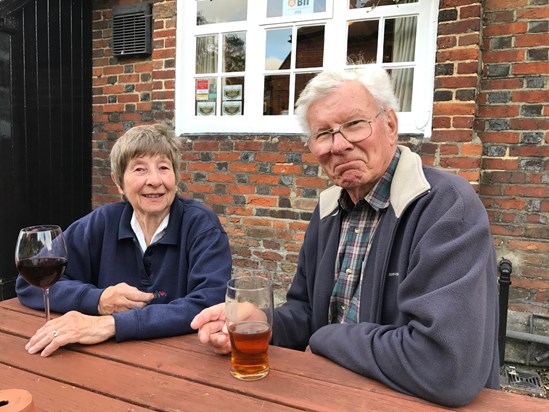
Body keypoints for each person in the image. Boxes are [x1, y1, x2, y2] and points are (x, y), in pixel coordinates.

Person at [191, 65, 500, 407]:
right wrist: (263, 320)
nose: (338, 145)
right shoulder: (328, 208)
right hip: (327, 393)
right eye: (322, 133)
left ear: (391, 125)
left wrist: (328, 339)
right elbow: (307, 312)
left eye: (354, 124)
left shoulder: (445, 206)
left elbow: (445, 366)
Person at [17, 124, 232, 357]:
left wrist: (110, 324)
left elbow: (211, 303)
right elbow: (30, 283)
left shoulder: (202, 226)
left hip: (182, 362)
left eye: (163, 167)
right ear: (118, 182)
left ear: (176, 177)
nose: (155, 180)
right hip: (103, 361)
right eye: (140, 169)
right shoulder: (101, 223)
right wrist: (97, 300)